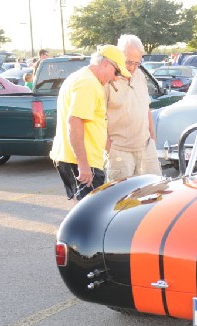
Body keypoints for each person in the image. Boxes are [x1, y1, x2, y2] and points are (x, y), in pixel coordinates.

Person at [49, 44, 131, 201]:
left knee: (85, 211)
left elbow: (92, 121)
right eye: (116, 71)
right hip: (82, 161)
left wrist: (107, 149)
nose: (115, 77)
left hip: (77, 158)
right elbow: (75, 121)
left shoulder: (83, 78)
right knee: (92, 214)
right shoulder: (88, 83)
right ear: (106, 63)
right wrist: (83, 165)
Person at [104, 34, 161, 181]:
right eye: (129, 62)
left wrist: (152, 135)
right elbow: (99, 117)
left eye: (137, 63)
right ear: (119, 56)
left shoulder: (140, 75)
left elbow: (145, 105)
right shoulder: (108, 79)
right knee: (123, 200)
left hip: (146, 147)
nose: (132, 67)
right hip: (119, 151)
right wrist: (109, 148)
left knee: (154, 194)